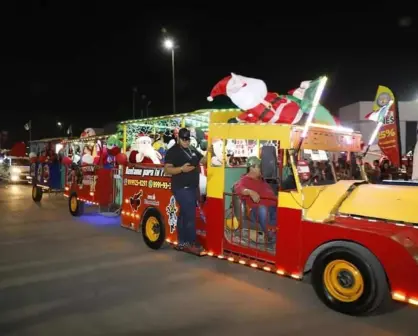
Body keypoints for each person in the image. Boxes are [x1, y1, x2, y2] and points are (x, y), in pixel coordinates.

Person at [164, 128, 206, 254]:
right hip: (181, 187)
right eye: (184, 139)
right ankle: (190, 242)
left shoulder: (192, 148)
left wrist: (209, 153)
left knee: (184, 215)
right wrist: (181, 169)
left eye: (188, 139)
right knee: (189, 215)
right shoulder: (173, 151)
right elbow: (167, 170)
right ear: (178, 138)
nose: (186, 141)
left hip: (192, 187)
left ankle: (182, 242)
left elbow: (202, 160)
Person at [233, 156, 277, 242]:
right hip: (257, 211)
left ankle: (278, 234)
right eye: (259, 166)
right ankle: (269, 235)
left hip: (273, 207)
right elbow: (238, 188)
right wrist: (249, 192)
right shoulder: (244, 180)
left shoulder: (261, 180)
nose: (261, 168)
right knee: (262, 209)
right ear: (252, 168)